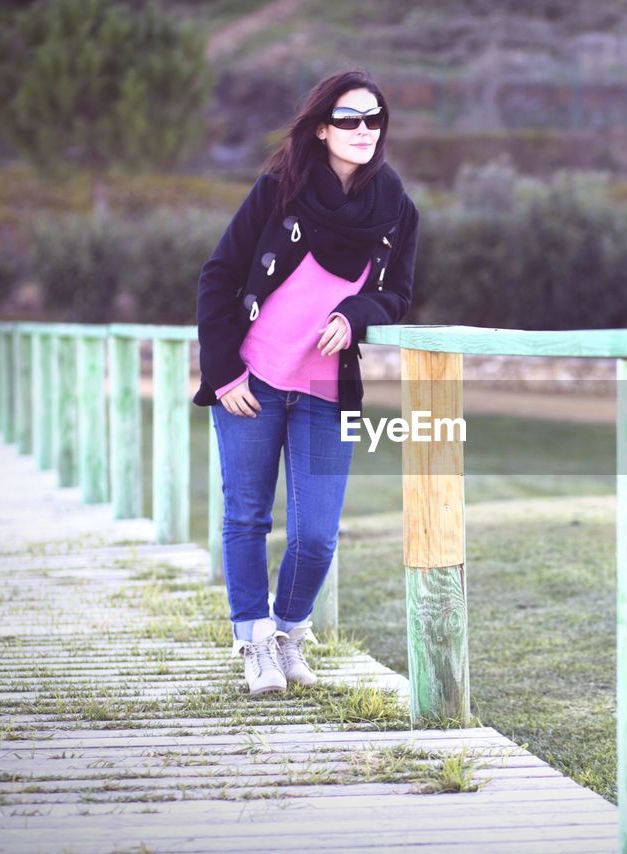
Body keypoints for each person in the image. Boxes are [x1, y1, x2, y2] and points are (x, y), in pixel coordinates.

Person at [193, 69, 419, 695]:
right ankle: (255, 643)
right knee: (246, 517)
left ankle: (290, 632)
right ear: (322, 128)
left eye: (374, 118)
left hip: (326, 390)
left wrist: (356, 314)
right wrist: (222, 372)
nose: (363, 130)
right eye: (349, 119)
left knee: (318, 535)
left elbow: (397, 295)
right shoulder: (278, 191)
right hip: (253, 381)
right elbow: (218, 276)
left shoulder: (396, 208)